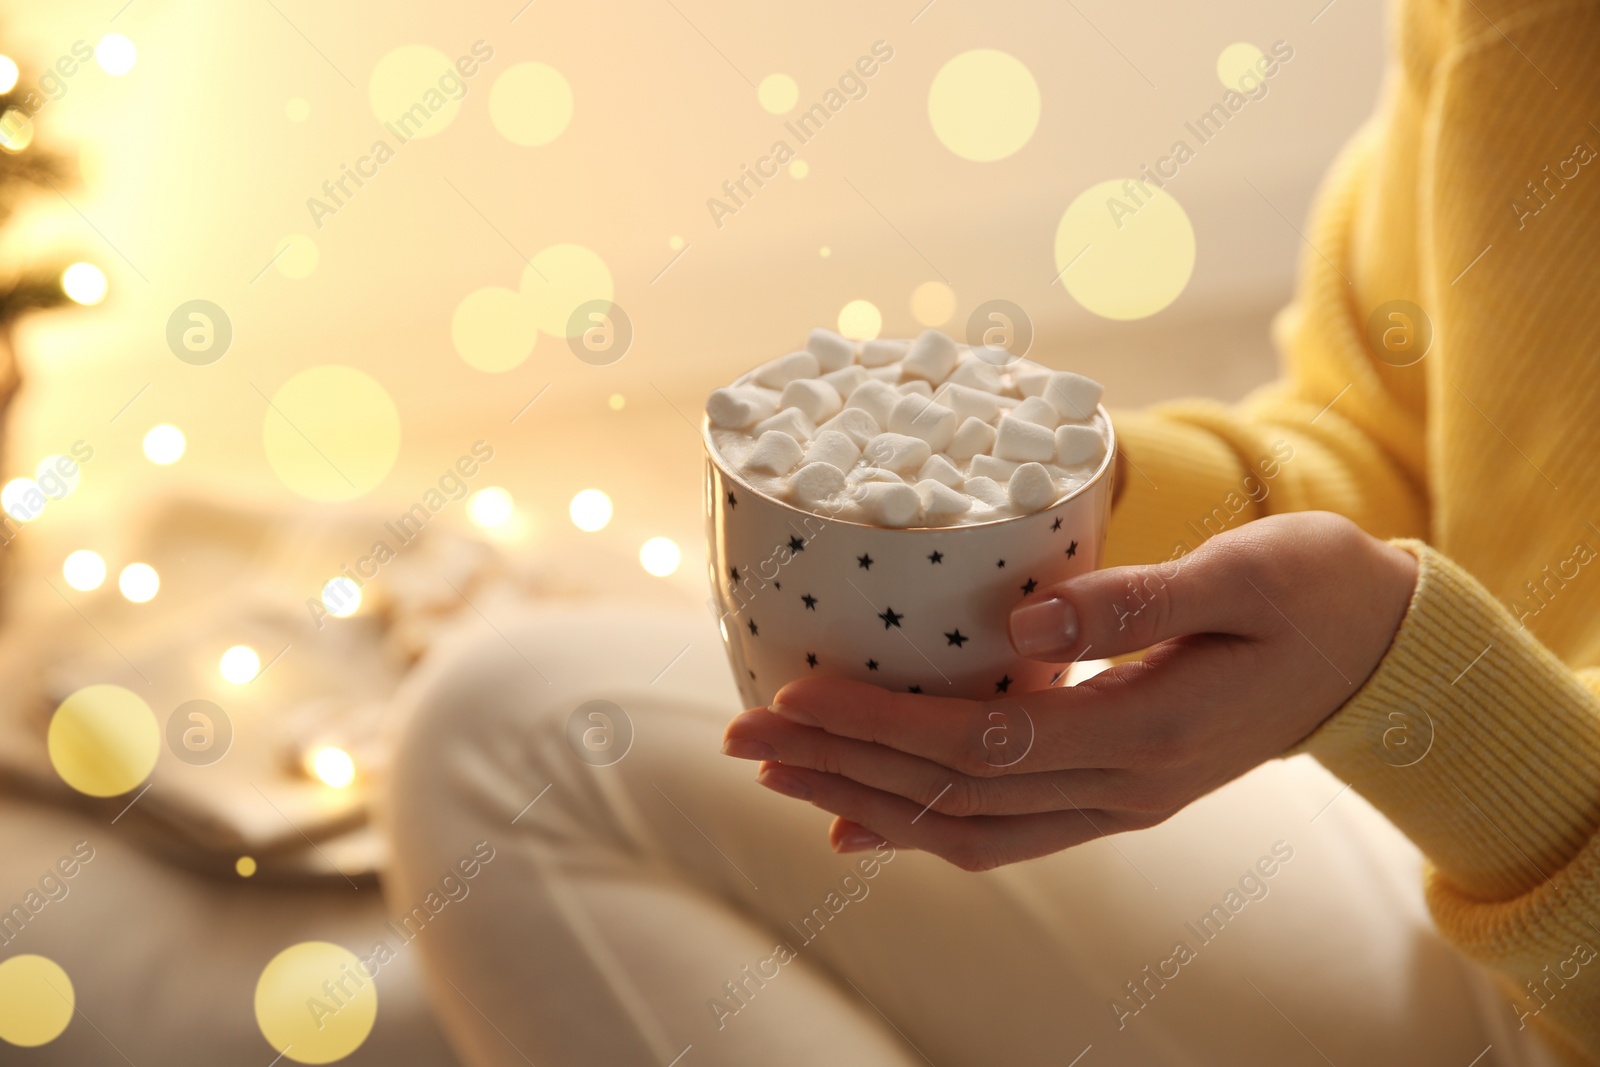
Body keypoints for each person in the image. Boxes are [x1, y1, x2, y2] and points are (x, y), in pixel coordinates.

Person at [382, 0, 1600, 1062]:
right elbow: (1393, 437)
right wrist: (1095, 497)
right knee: (514, 736)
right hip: (1444, 843)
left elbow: (1409, 647)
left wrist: (1419, 689)